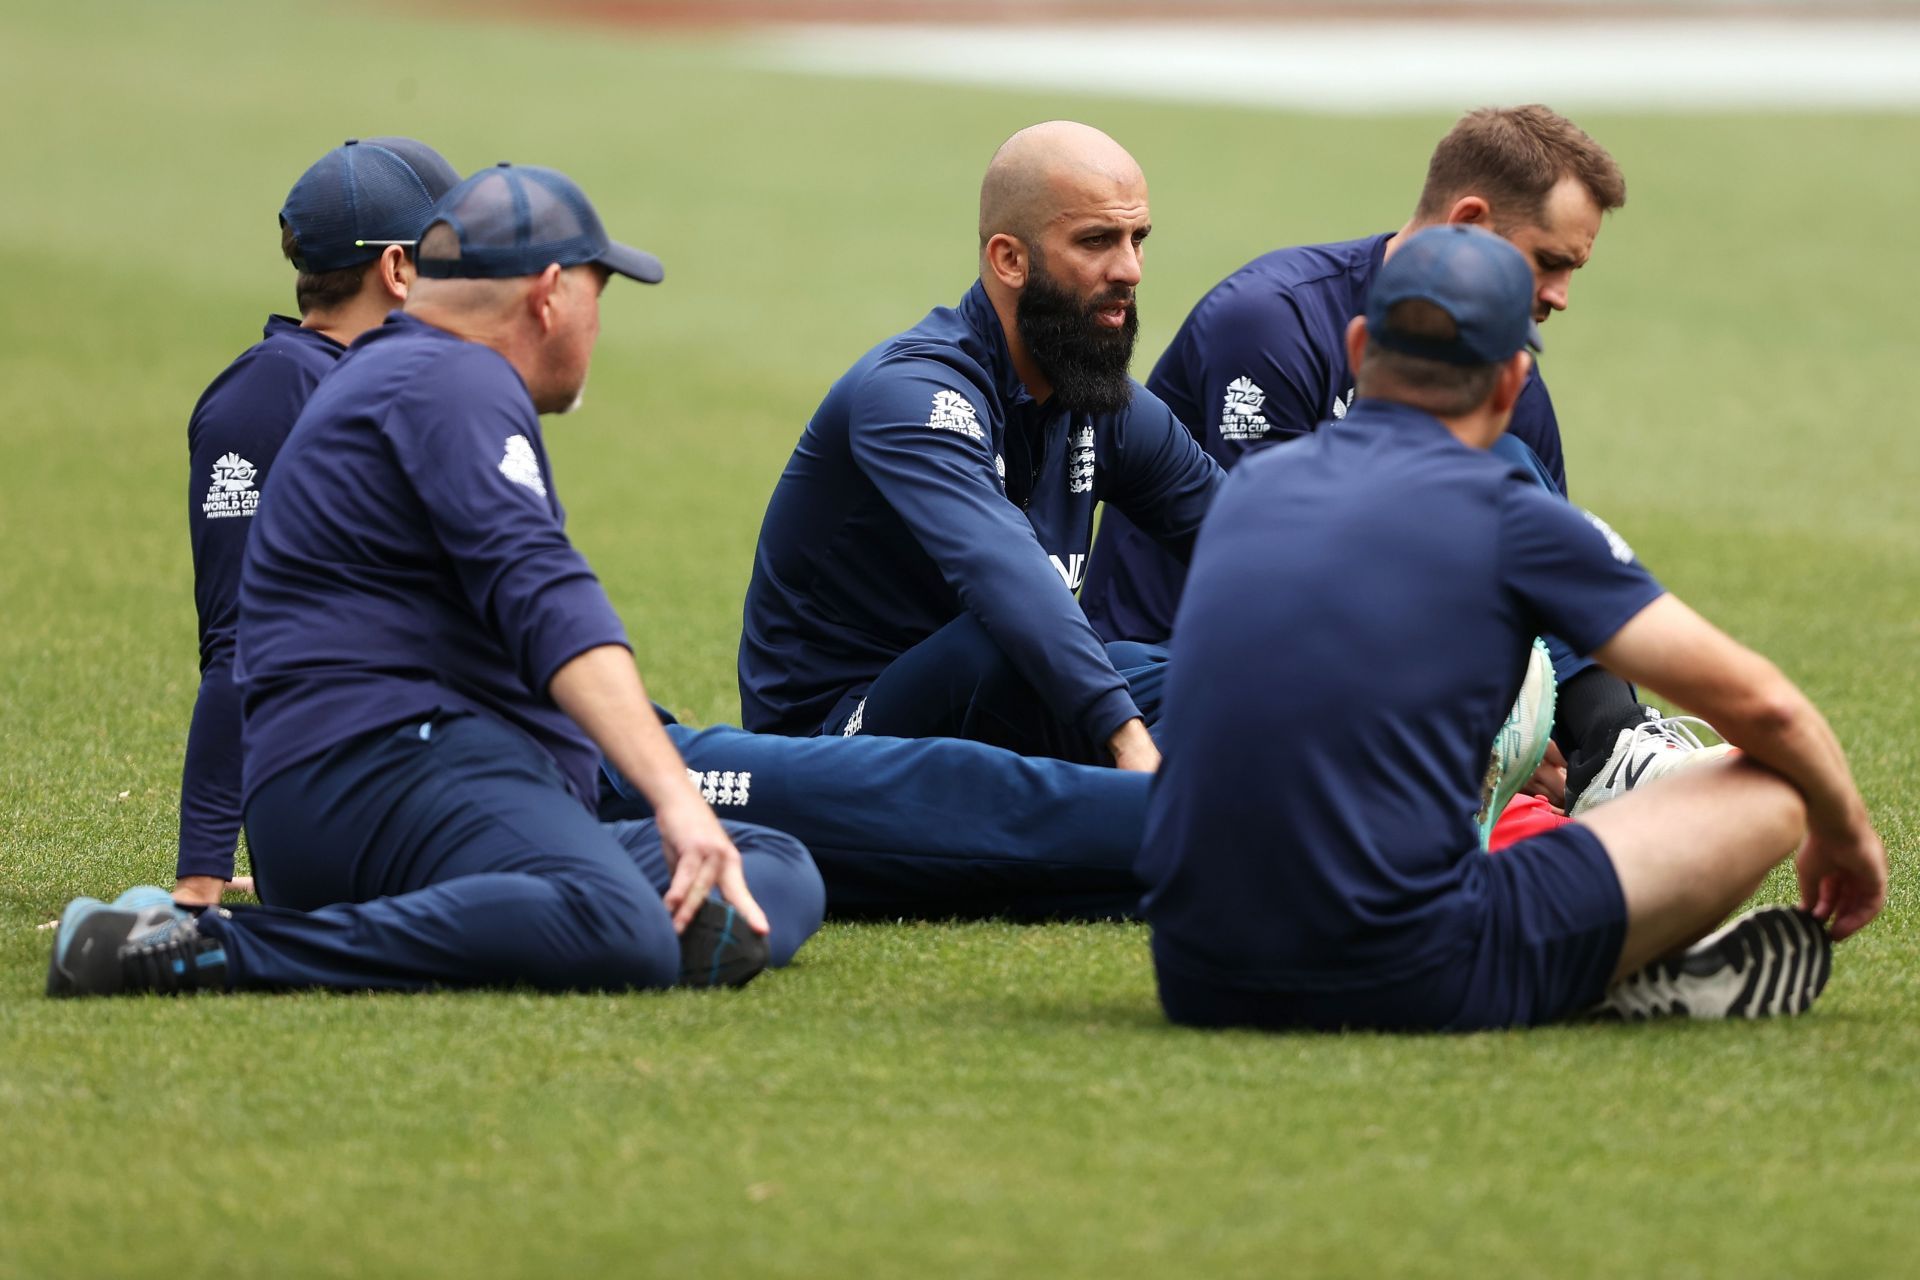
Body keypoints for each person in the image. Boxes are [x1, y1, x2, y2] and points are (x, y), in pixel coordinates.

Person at [49, 163, 824, 998]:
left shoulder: (420, 370)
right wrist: (670, 795)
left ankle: (545, 920)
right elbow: (545, 595)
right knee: (624, 920)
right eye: (603, 293)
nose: (600, 325)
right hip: (377, 769)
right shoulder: (449, 379)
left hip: (429, 774)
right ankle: (213, 950)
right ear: (551, 293)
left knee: (775, 868)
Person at [1138, 225, 1886, 1031]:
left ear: (1360, 347)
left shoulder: (1250, 490)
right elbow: (1770, 711)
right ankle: (1609, 971)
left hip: (1194, 975)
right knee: (1775, 783)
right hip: (1408, 975)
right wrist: (1844, 835)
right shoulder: (1510, 515)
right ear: (1511, 381)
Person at [1081, 105, 1725, 814]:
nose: (1561, 299)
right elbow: (1278, 580)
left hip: (1361, 684)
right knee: (1498, 468)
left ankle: (1608, 750)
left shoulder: (1509, 371)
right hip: (1189, 675)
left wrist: (1534, 718)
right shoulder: (1273, 321)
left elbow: (1546, 586)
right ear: (1472, 221)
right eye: (1549, 262)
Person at [737, 121, 1221, 770]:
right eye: (1096, 241)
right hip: (834, 746)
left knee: (1165, 671)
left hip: (994, 705)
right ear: (1009, 259)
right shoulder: (912, 394)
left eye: (1139, 240)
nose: (1129, 269)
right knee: (1009, 642)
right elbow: (1004, 578)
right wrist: (1129, 740)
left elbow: (1246, 535)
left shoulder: (1100, 400)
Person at [177, 137, 461, 907]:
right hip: (426, 794)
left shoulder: (414, 387)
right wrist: (199, 885)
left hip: (485, 765)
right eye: (454, 254)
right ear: (399, 269)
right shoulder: (272, 395)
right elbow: (241, 644)